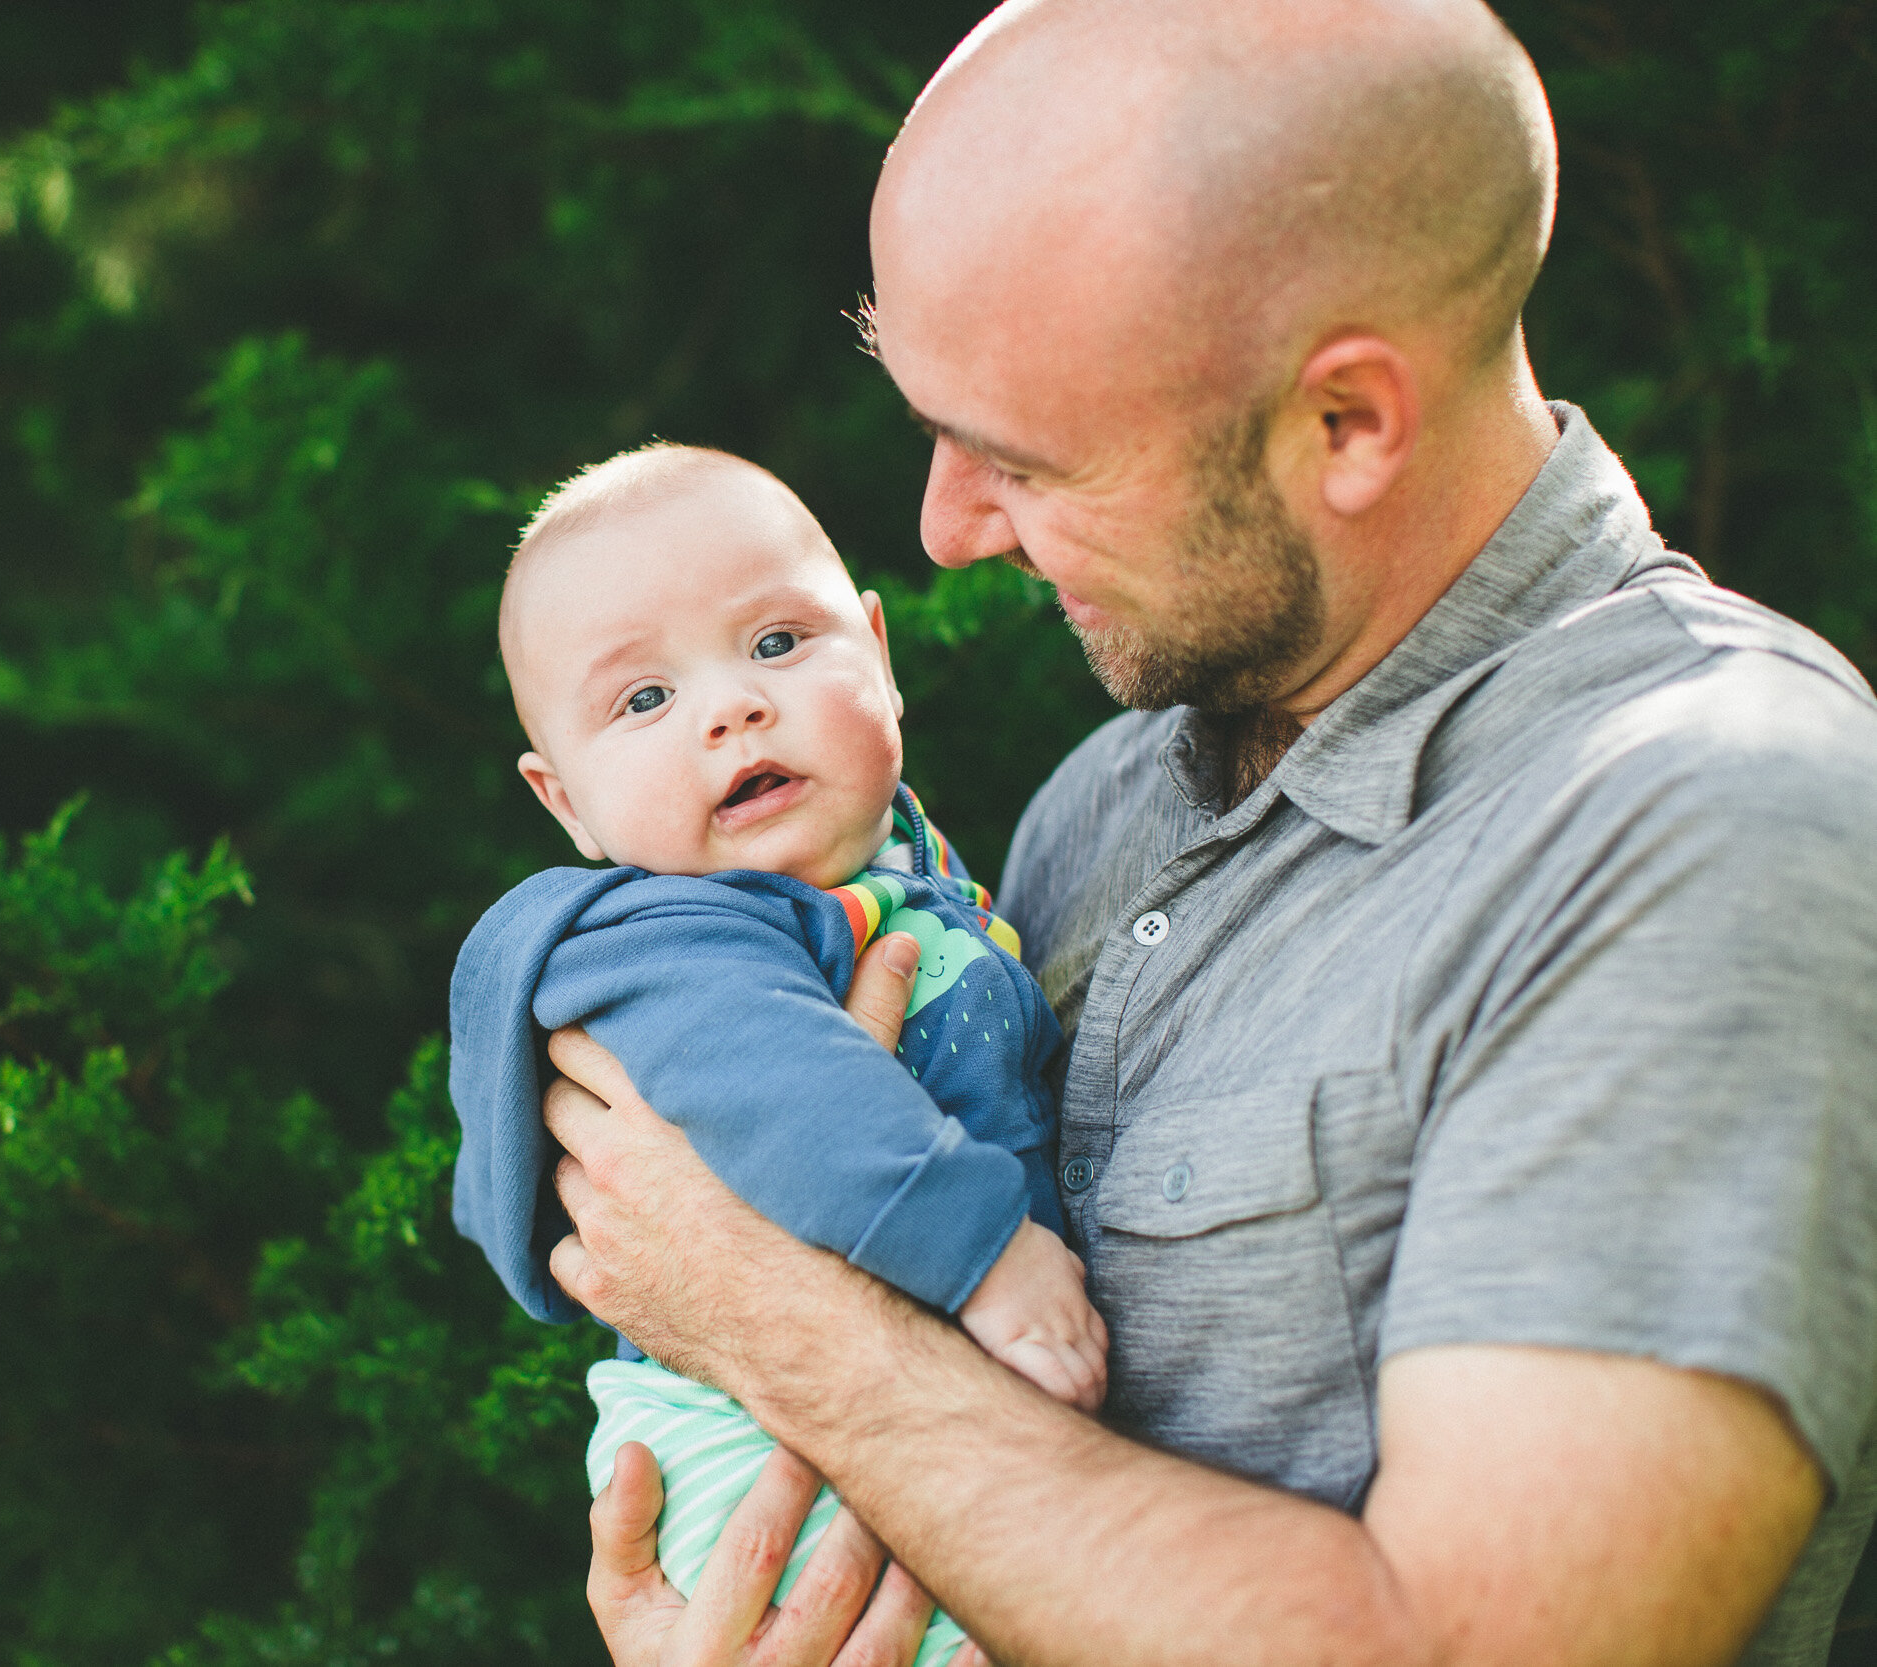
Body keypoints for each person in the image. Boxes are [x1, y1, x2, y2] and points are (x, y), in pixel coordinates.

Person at [533, 2, 1877, 1665]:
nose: (949, 532)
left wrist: (785, 1326)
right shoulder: (1108, 804)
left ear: (1348, 425)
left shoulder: (1701, 822)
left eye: (1020, 456)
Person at [448, 443, 1108, 1667]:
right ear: (568, 804)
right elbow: (790, 1096)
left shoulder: (898, 871)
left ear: (879, 655)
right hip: (753, 1446)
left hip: (896, 1414)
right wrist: (986, 1259)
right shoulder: (668, 939)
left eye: (775, 645)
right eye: (642, 701)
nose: (729, 706)